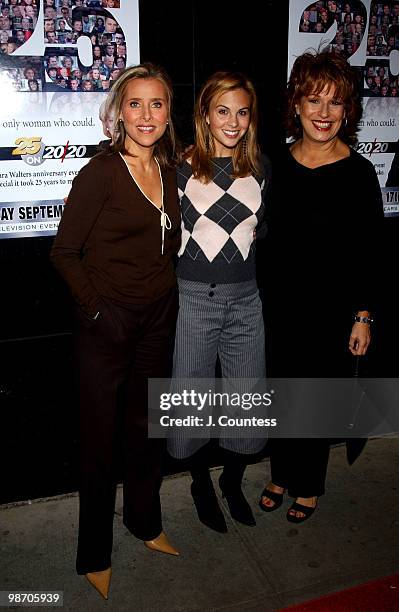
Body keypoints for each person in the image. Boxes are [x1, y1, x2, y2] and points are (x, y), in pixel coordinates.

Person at [50, 63, 181, 599]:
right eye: (135, 104)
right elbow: (63, 252)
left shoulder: (170, 169)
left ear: (168, 113)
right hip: (107, 324)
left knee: (146, 430)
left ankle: (145, 523)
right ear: (117, 112)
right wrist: (98, 311)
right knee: (101, 443)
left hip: (157, 319)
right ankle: (94, 554)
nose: (146, 115)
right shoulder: (101, 172)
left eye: (157, 104)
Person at [259, 49, 383, 523]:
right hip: (278, 308)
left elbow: (373, 251)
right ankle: (282, 472)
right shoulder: (275, 167)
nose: (324, 113)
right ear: (296, 105)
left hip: (331, 313)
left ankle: (308, 484)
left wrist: (363, 315)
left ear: (348, 110)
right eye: (314, 101)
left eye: (335, 103)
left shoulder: (358, 172)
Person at [167, 72, 270, 533]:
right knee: (192, 404)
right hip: (194, 300)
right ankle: (200, 483)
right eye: (223, 110)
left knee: (246, 402)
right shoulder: (180, 168)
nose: (233, 121)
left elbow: (259, 233)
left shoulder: (262, 169)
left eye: (242, 111)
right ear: (205, 114)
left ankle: (231, 481)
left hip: (246, 300)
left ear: (251, 118)